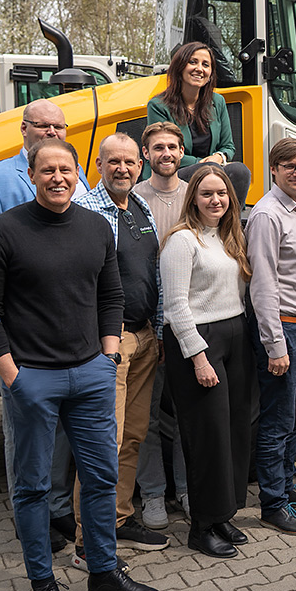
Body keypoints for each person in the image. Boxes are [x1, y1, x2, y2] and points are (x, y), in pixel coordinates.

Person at [0, 138, 158, 591]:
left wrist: (108, 356)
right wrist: (13, 376)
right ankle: (43, 583)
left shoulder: (96, 227)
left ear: (77, 174)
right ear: (31, 174)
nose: (57, 177)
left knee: (100, 477)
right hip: (33, 379)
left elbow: (109, 293)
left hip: (92, 374)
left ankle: (103, 570)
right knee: (32, 487)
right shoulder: (1, 232)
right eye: (47, 169)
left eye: (65, 170)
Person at [0, 99, 87, 550]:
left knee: (62, 441)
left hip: (74, 337)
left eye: (59, 126)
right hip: (23, 341)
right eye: (42, 125)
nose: (52, 132)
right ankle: (28, 520)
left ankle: (55, 512)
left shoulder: (76, 173)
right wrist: (4, 350)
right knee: (24, 438)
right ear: (24, 129)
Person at [70, 134, 170, 565]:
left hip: (145, 337)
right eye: (114, 161)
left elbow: (154, 275)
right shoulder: (87, 212)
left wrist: (160, 332)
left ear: (140, 163)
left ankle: (119, 518)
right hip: (110, 342)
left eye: (130, 161)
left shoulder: (141, 209)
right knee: (102, 442)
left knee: (133, 435)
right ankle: (86, 540)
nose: (123, 168)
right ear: (99, 163)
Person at [160, 165, 255, 557]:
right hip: (200, 343)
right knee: (205, 437)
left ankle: (223, 514)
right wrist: (199, 358)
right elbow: (175, 306)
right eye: (207, 194)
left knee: (234, 430)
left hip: (235, 334)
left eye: (222, 194)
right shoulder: (182, 241)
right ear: (193, 199)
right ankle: (201, 527)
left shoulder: (228, 236)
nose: (216, 200)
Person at [247, 138, 296, 534]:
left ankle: (285, 483)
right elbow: (263, 285)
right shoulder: (267, 215)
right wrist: (275, 345)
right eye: (289, 166)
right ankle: (273, 504)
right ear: (274, 170)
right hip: (285, 332)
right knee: (277, 421)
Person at [132, 122, 190, 528]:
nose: (166, 153)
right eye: (158, 148)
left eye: (172, 146)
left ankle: (186, 489)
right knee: (146, 418)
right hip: (146, 326)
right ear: (145, 154)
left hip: (186, 323)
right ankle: (152, 494)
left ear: (182, 152)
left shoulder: (196, 196)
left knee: (187, 415)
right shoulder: (133, 199)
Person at [146, 41, 252, 205]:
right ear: (180, 67)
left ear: (210, 73)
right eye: (193, 62)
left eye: (206, 65)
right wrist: (203, 163)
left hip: (211, 169)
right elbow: (163, 152)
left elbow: (228, 146)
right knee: (213, 172)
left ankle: (231, 226)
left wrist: (218, 157)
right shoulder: (158, 106)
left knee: (240, 171)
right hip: (174, 171)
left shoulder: (218, 102)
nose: (199, 69)